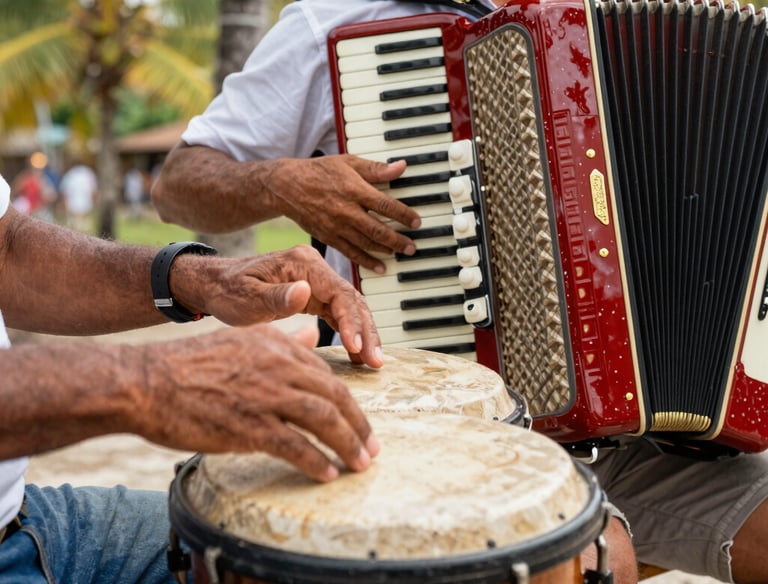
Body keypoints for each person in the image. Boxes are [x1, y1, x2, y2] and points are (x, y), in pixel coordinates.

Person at [150, 1, 768, 583]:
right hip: (440, 430)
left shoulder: (602, 17)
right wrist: (282, 182)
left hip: (632, 431)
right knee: (601, 559)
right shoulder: (334, 21)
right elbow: (178, 183)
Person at [0, 170, 385, 583]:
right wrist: (154, 381)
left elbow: (7, 251)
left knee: (299, 554)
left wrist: (202, 279)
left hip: (25, 519)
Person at [59, 160, 97, 232]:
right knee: (84, 228)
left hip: (73, 205)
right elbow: (94, 190)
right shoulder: (88, 173)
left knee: (74, 228)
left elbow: (65, 191)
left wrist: (64, 204)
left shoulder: (70, 174)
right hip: (85, 205)